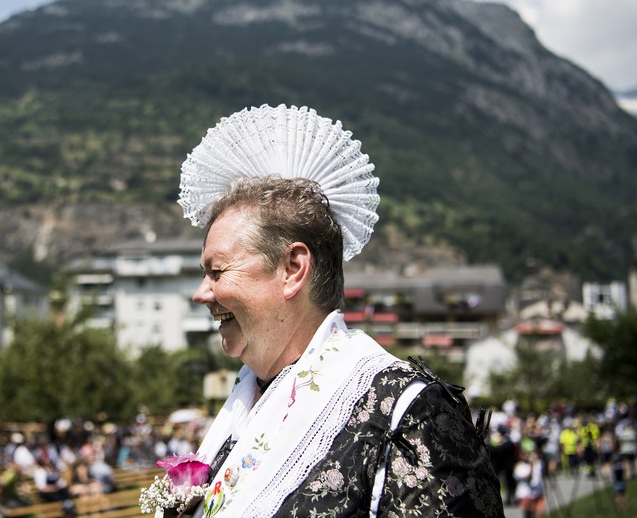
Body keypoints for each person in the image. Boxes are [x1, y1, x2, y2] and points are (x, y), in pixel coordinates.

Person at [176, 104, 504, 517]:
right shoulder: (242, 408)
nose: (201, 294)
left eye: (217, 271)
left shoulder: (407, 415)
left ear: (292, 268)